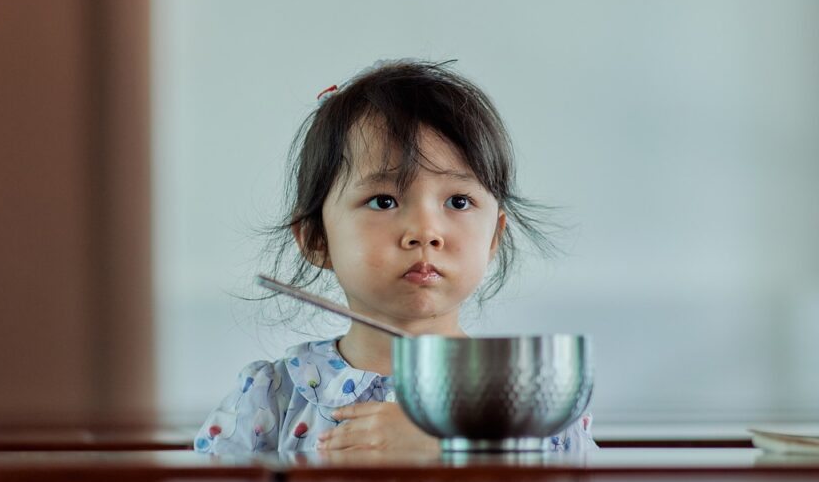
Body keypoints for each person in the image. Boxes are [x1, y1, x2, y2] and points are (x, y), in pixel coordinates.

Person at [194, 59, 595, 454]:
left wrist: (450, 448)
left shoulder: (534, 405)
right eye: (383, 201)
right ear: (317, 238)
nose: (425, 231)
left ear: (494, 237)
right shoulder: (270, 401)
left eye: (458, 201)